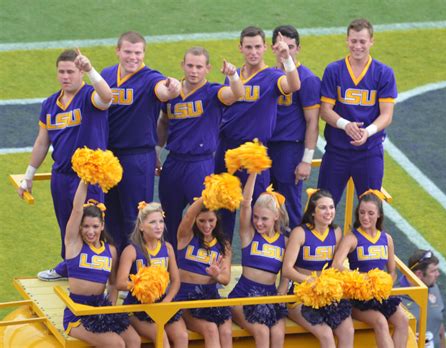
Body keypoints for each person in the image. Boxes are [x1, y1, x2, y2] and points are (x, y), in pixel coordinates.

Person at [18, 49, 112, 281]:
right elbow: (42, 141)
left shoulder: (90, 96)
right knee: (66, 223)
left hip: (88, 177)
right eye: (61, 71)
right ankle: (69, 266)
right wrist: (29, 174)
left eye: (71, 71)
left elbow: (107, 96)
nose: (65, 76)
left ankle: (94, 272)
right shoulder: (50, 103)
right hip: (60, 173)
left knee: (91, 223)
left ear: (80, 72)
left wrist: (91, 69)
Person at [214, 26, 301, 240]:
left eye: (258, 47)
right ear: (240, 48)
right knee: (222, 209)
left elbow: (294, 84)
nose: (253, 52)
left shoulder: (273, 76)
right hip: (226, 148)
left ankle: (259, 264)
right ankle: (221, 263)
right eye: (249, 47)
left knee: (258, 212)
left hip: (255, 152)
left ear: (265, 48)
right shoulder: (232, 75)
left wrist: (286, 58)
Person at [101, 31, 181, 252]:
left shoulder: (151, 78)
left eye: (137, 53)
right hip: (108, 157)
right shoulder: (107, 74)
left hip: (137, 157)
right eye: (128, 52)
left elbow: (164, 91)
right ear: (118, 51)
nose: (132, 57)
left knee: (135, 217)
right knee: (108, 214)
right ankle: (115, 270)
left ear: (144, 53)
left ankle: (139, 271)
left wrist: (172, 87)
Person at [157, 46, 244, 249]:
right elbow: (163, 122)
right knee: (168, 214)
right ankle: (172, 262)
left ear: (207, 68)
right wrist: (156, 151)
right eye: (190, 66)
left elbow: (237, 94)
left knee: (204, 216)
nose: (194, 71)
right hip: (174, 161)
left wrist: (233, 75)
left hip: (200, 164)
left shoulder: (213, 92)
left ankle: (203, 260)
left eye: (199, 66)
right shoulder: (173, 91)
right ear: (182, 65)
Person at [318, 18, 397, 206]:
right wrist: (346, 126)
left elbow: (387, 114)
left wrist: (366, 132)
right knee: (322, 206)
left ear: (371, 41)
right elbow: (325, 110)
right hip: (337, 151)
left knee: (370, 209)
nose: (357, 46)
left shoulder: (384, 73)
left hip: (369, 152)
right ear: (347, 40)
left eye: (362, 41)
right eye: (353, 41)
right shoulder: (334, 70)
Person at [62, 180, 141, 346]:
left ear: (102, 226)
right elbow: (77, 210)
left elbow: (112, 283)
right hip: (78, 313)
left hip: (101, 309)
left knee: (134, 340)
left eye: (95, 226)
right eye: (86, 226)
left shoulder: (111, 250)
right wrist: (84, 181)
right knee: (116, 344)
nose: (90, 231)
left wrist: (109, 310)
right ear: (80, 228)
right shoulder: (74, 244)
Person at [332, 191, 408, 348]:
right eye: (362, 212)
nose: (365, 217)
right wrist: (362, 279)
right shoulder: (352, 238)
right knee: (380, 321)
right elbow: (336, 265)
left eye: (370, 213)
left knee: (403, 320)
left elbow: (392, 271)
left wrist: (384, 285)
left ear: (379, 214)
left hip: (379, 296)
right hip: (358, 299)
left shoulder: (387, 239)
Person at [282, 189, 353, 347]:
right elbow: (287, 269)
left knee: (348, 331)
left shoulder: (336, 232)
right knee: (326, 335)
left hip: (328, 294)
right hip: (302, 294)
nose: (329, 212)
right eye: (323, 208)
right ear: (312, 212)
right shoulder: (299, 233)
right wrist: (311, 281)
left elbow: (338, 265)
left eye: (331, 207)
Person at [268, 25, 320, 230]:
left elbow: (313, 122)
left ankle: (295, 258)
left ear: (298, 48)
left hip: (289, 148)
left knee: (289, 206)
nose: (285, 52)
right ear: (273, 48)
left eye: (290, 47)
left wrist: (306, 160)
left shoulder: (307, 79)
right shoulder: (268, 74)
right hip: (264, 146)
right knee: (262, 204)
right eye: (281, 47)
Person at [228, 172, 289, 348]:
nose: (258, 222)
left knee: (278, 333)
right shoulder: (249, 234)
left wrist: (281, 293)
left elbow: (287, 272)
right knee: (261, 332)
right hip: (243, 297)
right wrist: (254, 172)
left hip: (270, 297)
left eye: (264, 219)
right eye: (256, 217)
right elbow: (246, 203)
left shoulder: (285, 242)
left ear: (276, 216)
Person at [116, 202, 188, 347]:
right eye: (153, 222)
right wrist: (142, 286)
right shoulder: (131, 250)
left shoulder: (167, 248)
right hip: (139, 308)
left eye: (161, 221)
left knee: (182, 336)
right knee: (161, 338)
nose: (158, 226)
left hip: (163, 304)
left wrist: (167, 301)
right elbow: (120, 283)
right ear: (142, 226)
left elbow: (175, 281)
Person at [175, 197, 233, 348]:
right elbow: (188, 215)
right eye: (201, 221)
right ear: (195, 220)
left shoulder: (223, 244)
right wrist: (207, 195)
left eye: (211, 220)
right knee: (211, 329)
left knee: (226, 331)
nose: (207, 225)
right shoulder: (186, 236)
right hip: (186, 298)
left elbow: (226, 279)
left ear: (217, 219)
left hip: (211, 297)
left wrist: (217, 276)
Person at [399, 250, 446, 348]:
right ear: (419, 274)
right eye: (433, 271)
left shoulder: (433, 287)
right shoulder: (395, 295)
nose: (438, 274)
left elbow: (439, 327)